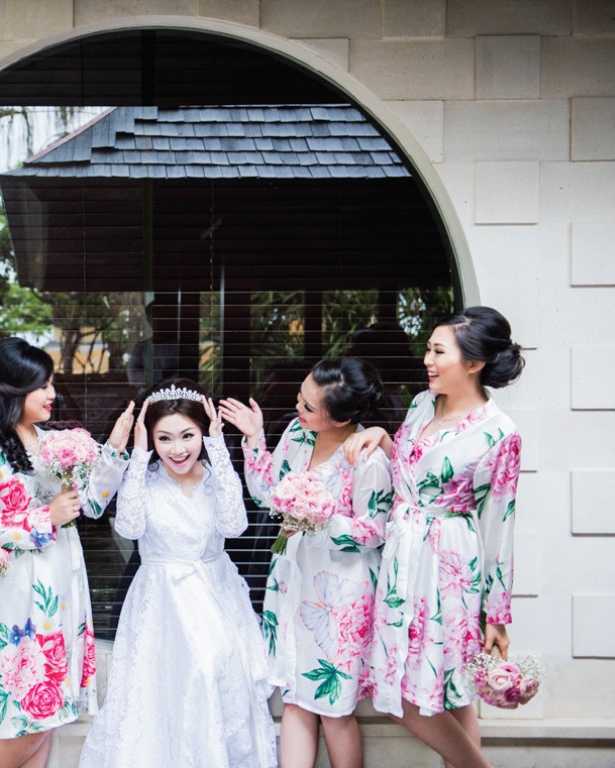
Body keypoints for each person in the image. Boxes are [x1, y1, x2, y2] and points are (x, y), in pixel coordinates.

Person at [344, 306, 525, 768]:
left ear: (474, 362)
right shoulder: (424, 403)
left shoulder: (499, 433)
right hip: (401, 558)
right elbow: (409, 469)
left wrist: (496, 614)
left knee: (426, 690)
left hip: (447, 567)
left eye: (438, 351)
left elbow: (500, 526)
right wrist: (382, 435)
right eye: (428, 348)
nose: (427, 359)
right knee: (445, 694)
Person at [79, 379, 277, 768]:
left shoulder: (217, 476)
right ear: (150, 439)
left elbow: (235, 525)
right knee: (162, 693)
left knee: (209, 674)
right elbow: (130, 528)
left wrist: (218, 448)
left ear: (204, 432)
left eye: (188, 435)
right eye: (164, 438)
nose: (178, 449)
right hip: (161, 601)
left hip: (214, 596)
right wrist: (138, 456)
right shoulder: (144, 478)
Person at [0, 337, 135, 768]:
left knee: (47, 718)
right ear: (12, 389)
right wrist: (44, 518)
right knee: (28, 721)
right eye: (42, 385)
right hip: (18, 597)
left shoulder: (54, 441)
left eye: (50, 383)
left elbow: (91, 505)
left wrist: (114, 448)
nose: (52, 393)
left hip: (62, 590)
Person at [221, 359, 393, 768]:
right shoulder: (297, 434)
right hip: (291, 581)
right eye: (300, 397)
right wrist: (255, 438)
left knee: (334, 709)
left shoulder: (366, 458)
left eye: (309, 406)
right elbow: (267, 491)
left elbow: (373, 531)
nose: (298, 408)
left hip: (337, 596)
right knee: (296, 698)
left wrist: (318, 520)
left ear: (342, 417)